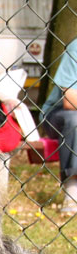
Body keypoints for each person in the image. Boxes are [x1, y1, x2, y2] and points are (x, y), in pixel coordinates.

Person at [42, 38, 77, 214]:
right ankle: (73, 192)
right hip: (59, 114)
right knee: (75, 119)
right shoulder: (75, 48)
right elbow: (70, 100)